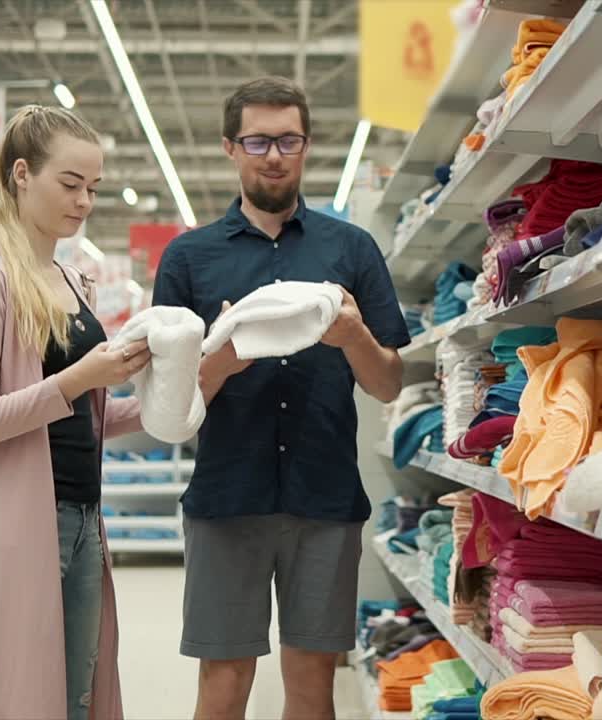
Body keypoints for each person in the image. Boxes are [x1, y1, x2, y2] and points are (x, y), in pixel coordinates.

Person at [152, 76, 411, 720]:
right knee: (223, 683)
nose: (274, 154)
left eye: (287, 140)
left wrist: (352, 335)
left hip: (323, 497)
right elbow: (172, 407)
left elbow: (387, 382)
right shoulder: (188, 259)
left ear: (307, 146)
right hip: (226, 497)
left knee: (312, 684)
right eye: (258, 140)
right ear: (230, 148)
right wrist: (224, 361)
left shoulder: (352, 250)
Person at [0, 105, 152, 720]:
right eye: (69, 184)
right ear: (20, 175)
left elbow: (89, 418)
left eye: (92, 187)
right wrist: (75, 379)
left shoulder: (70, 279)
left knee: (78, 694)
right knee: (25, 697)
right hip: (19, 524)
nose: (84, 201)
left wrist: (184, 390)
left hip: (84, 517)